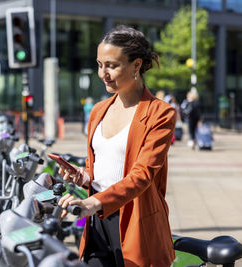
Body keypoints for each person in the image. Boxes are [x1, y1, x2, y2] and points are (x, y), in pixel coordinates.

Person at [57, 25, 176, 267]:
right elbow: (99, 168)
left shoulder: (160, 113)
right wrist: (83, 177)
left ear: (136, 65)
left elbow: (142, 175)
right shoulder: (98, 110)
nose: (103, 73)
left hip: (136, 222)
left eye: (112, 65)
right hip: (96, 222)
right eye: (100, 64)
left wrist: (93, 202)